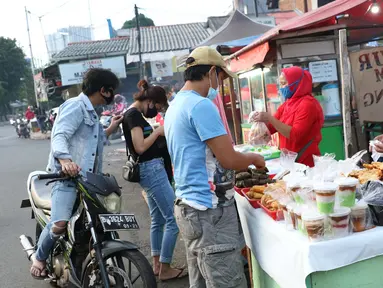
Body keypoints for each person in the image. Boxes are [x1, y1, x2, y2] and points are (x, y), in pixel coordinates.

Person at [164, 46, 265, 288]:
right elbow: (229, 159)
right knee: (226, 281)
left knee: (202, 280)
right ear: (211, 72)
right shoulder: (201, 106)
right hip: (209, 212)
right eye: (220, 77)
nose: (219, 84)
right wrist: (253, 159)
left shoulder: (177, 104)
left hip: (189, 207)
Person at [30, 68, 123, 279]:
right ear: (103, 90)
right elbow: (59, 135)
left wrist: (111, 128)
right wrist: (64, 160)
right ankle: (39, 257)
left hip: (88, 181)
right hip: (67, 179)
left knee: (97, 222)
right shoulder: (75, 106)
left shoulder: (92, 112)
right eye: (111, 90)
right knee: (60, 223)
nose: (112, 95)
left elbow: (93, 144)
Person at [122, 80, 183, 281]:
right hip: (152, 170)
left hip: (150, 170)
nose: (156, 110)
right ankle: (165, 268)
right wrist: (158, 131)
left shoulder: (135, 115)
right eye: (156, 107)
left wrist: (154, 128)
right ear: (149, 101)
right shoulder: (132, 116)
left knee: (158, 219)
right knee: (173, 218)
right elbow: (139, 147)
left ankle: (157, 265)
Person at [252, 66, 324, 167]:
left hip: (305, 162)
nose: (281, 87)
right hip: (289, 161)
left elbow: (295, 135)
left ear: (297, 83)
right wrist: (259, 127)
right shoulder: (287, 104)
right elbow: (272, 127)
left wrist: (269, 118)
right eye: (280, 84)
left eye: (284, 83)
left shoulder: (308, 104)